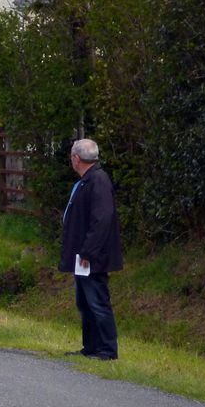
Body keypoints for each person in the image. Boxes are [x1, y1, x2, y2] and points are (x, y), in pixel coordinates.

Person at [59, 138, 123, 360]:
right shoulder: (88, 180)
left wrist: (88, 251)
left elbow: (102, 219)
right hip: (83, 255)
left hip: (92, 256)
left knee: (97, 301)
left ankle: (107, 349)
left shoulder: (98, 180)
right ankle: (91, 346)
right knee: (84, 302)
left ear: (76, 159)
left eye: (72, 157)